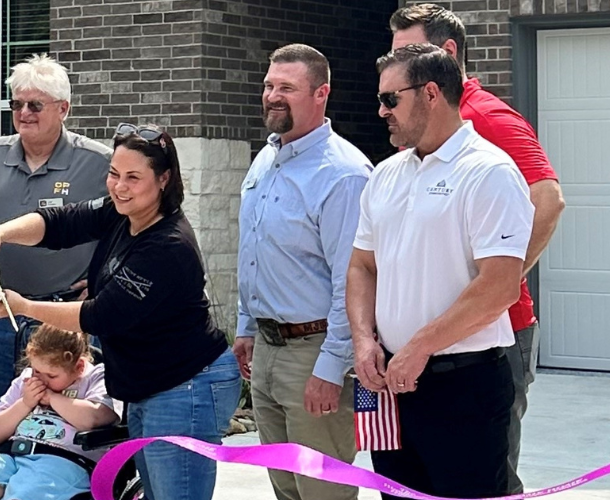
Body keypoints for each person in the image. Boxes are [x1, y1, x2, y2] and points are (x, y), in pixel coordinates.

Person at [0, 123, 239, 500]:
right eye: (113, 174)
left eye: (132, 177)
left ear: (164, 179)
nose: (119, 187)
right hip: (148, 383)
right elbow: (59, 223)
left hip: (187, 385)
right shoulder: (120, 213)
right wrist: (0, 233)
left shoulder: (168, 246)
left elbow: (100, 316)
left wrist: (24, 307)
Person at [387, 5, 565, 490]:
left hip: (487, 340)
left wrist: (500, 281)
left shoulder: (484, 116)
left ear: (445, 53)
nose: (392, 65)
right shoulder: (414, 127)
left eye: (405, 53)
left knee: (487, 479)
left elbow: (548, 197)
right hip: (424, 346)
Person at [349, 44, 532, 500]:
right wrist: (363, 338)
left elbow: (499, 287)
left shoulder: (488, 172)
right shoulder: (385, 174)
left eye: (391, 99)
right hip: (391, 382)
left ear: (431, 93)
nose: (380, 110)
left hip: (463, 386)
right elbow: (361, 264)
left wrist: (420, 347)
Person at [0, 54, 114, 457]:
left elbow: (127, 222)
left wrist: (102, 279)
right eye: (17, 104)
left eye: (35, 105)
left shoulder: (98, 162)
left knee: (62, 431)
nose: (24, 113)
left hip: (68, 317)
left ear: (64, 109)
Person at [232, 43, 369, 500]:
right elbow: (253, 250)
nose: (272, 95)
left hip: (314, 351)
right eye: (269, 85)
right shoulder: (266, 158)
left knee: (322, 492)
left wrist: (331, 368)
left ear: (321, 94)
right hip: (267, 352)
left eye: (286, 87)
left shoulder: (343, 175)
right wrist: (246, 326)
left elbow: (353, 282)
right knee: (286, 488)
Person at [0, 325, 120, 500]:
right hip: (9, 455)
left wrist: (52, 398)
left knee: (25, 493)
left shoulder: (97, 377)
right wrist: (25, 403)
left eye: (51, 376)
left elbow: (94, 418)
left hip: (62, 461)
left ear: (79, 367)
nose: (40, 379)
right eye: (36, 370)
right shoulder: (26, 380)